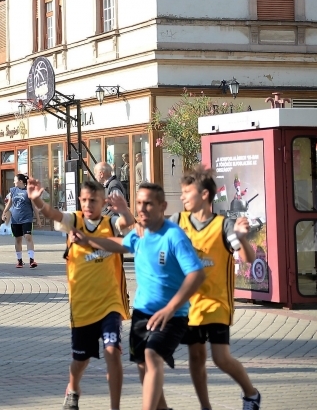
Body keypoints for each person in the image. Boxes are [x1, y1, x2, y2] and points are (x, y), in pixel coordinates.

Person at [73, 183, 206, 410]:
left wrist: (171, 308)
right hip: (142, 314)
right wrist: (87, 240)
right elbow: (118, 244)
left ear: (162, 206)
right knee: (143, 365)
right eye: (139, 204)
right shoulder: (139, 234)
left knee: (152, 356)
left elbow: (197, 274)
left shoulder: (174, 236)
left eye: (148, 204)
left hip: (170, 315)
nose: (142, 209)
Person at [28, 178, 133, 410]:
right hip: (83, 306)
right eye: (84, 200)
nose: (88, 204)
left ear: (103, 201)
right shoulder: (73, 221)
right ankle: (73, 388)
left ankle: (115, 407)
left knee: (112, 352)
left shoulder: (110, 223)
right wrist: (37, 200)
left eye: (93, 200)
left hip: (110, 303)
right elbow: (53, 214)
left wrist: (124, 208)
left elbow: (128, 223)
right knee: (80, 360)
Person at [174, 166, 262, 410]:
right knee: (195, 357)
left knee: (220, 358)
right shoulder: (177, 222)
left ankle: (251, 394)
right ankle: (205, 406)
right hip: (190, 305)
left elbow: (248, 257)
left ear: (204, 195)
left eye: (186, 192)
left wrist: (243, 238)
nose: (182, 197)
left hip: (217, 303)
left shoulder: (223, 225)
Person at [1, 174, 37, 268]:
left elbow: (34, 206)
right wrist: (4, 212)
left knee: (28, 237)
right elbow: (9, 203)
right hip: (15, 219)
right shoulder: (13, 190)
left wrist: (38, 218)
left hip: (27, 218)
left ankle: (32, 260)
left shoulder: (29, 191)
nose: (14, 182)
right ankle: (19, 261)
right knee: (18, 239)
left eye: (15, 180)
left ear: (20, 181)